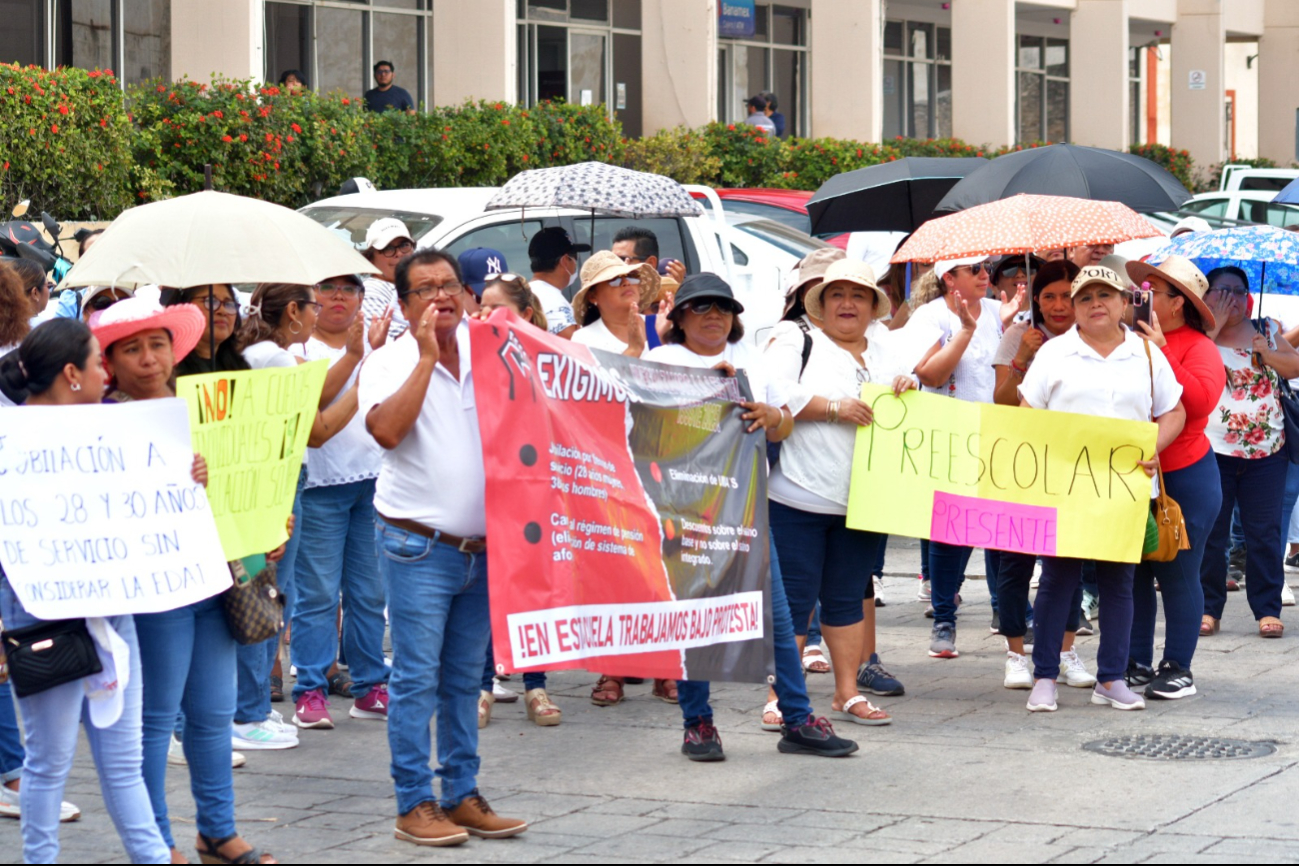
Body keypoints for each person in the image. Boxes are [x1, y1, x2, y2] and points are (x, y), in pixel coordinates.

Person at [91, 298, 283, 864]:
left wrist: (267, 524)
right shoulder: (102, 422)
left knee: (213, 713)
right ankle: (156, 842)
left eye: (157, 344)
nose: (149, 358)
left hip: (217, 578)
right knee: (154, 721)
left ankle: (217, 832)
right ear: (111, 361)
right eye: (133, 348)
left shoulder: (203, 407)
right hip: (154, 588)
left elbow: (244, 484)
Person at [644, 272, 859, 759]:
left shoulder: (751, 363)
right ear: (678, 317)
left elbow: (782, 427)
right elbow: (647, 432)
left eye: (723, 307)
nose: (715, 315)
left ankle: (798, 719)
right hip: (689, 514)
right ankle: (698, 723)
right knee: (698, 622)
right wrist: (710, 400)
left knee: (780, 622)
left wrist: (769, 415)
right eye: (701, 307)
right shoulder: (661, 362)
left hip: (746, 511)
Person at [359, 249, 527, 846]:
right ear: (404, 305)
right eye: (425, 288)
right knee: (415, 679)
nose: (442, 296)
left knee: (463, 681)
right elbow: (385, 432)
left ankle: (461, 794)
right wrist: (427, 358)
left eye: (450, 284)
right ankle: (414, 803)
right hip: (417, 547)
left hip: (484, 549)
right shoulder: (389, 362)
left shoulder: (495, 354)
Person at [1019, 265, 1186, 713]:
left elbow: (1173, 411)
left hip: (1127, 488)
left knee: (1120, 583)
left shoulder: (1148, 354)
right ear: (1073, 307)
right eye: (1086, 296)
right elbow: (1026, 411)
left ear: (1123, 303)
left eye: (1105, 295)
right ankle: (1045, 677)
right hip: (1065, 488)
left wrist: (1157, 445)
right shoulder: (1055, 354)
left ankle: (1111, 678)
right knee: (1058, 580)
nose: (1096, 303)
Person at [764, 259, 912, 726]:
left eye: (859, 295)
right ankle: (781, 696)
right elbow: (771, 391)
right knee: (794, 600)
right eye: (837, 295)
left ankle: (846, 692)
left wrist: (911, 385)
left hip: (864, 498)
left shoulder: (886, 347)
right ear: (821, 304)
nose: (848, 304)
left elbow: (907, 401)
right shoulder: (796, 338)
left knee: (848, 597)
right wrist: (832, 408)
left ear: (873, 306)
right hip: (798, 495)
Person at [0, 322, 127, 861]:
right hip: (38, 615)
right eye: (101, 359)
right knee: (48, 758)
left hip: (108, 612)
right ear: (72, 374)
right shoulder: (13, 439)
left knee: (119, 761)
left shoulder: (118, 433)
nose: (110, 371)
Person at [237, 282, 359, 740]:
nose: (319, 313)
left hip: (274, 479)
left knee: (269, 597)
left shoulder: (265, 353)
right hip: (280, 480)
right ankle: (248, 712)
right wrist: (361, 377)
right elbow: (318, 428)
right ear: (293, 310)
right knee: (270, 599)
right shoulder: (274, 356)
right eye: (313, 306)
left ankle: (249, 707)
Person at [289, 275, 394, 731]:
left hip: (372, 483)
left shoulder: (380, 350)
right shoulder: (299, 351)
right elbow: (311, 410)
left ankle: (370, 685)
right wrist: (359, 357)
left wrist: (371, 354)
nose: (338, 298)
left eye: (348, 290)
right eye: (328, 289)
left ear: (361, 299)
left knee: (369, 594)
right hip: (320, 486)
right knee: (317, 596)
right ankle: (310, 688)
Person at [1119, 255, 1227, 699]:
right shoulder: (1127, 340)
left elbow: (1199, 403)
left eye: (1151, 293)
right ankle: (1137, 661)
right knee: (1137, 573)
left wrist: (1162, 349)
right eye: (1138, 291)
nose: (1139, 298)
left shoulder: (1198, 348)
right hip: (1136, 472)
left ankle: (1178, 665)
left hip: (1185, 476)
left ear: (1178, 303)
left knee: (1180, 573)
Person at [907, 255, 1023, 658]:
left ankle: (1004, 611)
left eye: (983, 268)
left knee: (1000, 529)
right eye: (973, 269)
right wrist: (965, 330)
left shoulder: (997, 309)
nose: (984, 274)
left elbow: (1007, 369)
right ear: (948, 279)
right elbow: (931, 375)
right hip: (950, 432)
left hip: (996, 432)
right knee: (950, 531)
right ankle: (944, 618)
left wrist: (1011, 325)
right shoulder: (930, 315)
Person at [989, 260, 1095, 690]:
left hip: (1071, 467)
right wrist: (1022, 357)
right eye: (1048, 296)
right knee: (1015, 563)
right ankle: (1016, 654)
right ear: (1036, 299)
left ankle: (1065, 649)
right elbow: (1000, 400)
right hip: (1022, 464)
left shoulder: (1093, 340)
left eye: (1067, 295)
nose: (1058, 305)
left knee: (1067, 562)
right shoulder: (1019, 335)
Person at [471, 273, 561, 728]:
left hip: (536, 487)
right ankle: (482, 685)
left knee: (532, 583)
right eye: (480, 307)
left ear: (524, 315)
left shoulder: (552, 358)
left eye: (494, 308)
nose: (482, 316)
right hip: (490, 486)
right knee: (490, 587)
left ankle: (536, 684)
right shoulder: (471, 355)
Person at [1200, 265, 1299, 642]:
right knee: (1213, 533)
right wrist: (1213, 327)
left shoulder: (1267, 329)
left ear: (1249, 296)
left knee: (1264, 531)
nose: (1230, 299)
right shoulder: (1198, 335)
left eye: (1237, 292)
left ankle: (1267, 609)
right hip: (1212, 449)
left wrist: (1267, 353)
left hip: (1267, 450)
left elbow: (1294, 366)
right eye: (1220, 292)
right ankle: (1209, 608)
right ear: (1206, 296)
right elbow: (1183, 373)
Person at [571, 250, 660, 362]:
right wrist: (633, 350)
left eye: (632, 276)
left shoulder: (660, 325)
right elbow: (598, 379)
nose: (626, 282)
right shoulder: (584, 339)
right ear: (592, 296)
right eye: (615, 279)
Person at [360, 219, 416, 342]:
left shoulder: (413, 286)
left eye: (404, 245)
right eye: (388, 249)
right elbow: (401, 341)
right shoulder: (371, 291)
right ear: (370, 258)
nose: (399, 253)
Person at [527, 226, 588, 336]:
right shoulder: (553, 302)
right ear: (565, 260)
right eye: (574, 257)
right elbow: (573, 346)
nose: (575, 262)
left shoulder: (526, 291)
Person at [11, 258, 49, 324]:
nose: (49, 290)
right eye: (48, 286)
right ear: (35, 293)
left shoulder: (5, 321)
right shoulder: (44, 328)